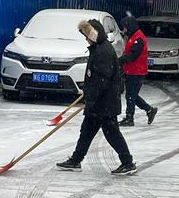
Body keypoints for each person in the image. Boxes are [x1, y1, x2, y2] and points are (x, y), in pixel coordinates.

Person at [56, 19, 137, 176]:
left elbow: (101, 80)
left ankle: (128, 163)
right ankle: (76, 160)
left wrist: (91, 99)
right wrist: (89, 95)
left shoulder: (103, 52)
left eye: (87, 35)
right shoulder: (97, 48)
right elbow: (94, 79)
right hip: (99, 103)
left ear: (94, 35)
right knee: (86, 131)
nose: (86, 39)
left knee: (112, 134)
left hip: (105, 103)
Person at [118, 16, 157, 127]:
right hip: (132, 71)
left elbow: (133, 56)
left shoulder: (138, 38)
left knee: (131, 96)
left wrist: (121, 60)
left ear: (129, 27)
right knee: (131, 95)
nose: (123, 30)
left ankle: (130, 118)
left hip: (137, 72)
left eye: (124, 27)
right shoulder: (134, 36)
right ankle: (149, 110)